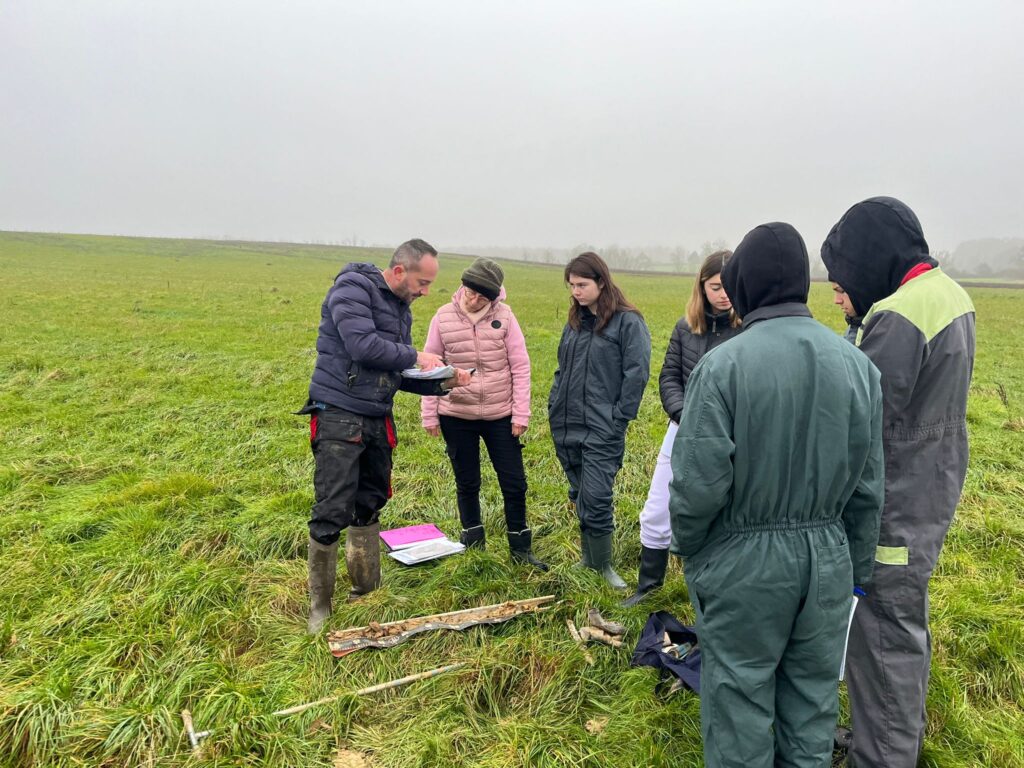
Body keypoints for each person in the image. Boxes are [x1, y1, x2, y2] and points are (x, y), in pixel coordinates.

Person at [669, 222, 884, 768]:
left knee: (739, 701)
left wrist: (694, 552)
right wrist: (853, 570)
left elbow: (697, 485)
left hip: (744, 564)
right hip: (828, 561)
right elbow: (867, 488)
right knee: (811, 703)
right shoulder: (859, 367)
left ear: (744, 285)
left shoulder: (722, 366)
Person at [821, 196, 976, 768]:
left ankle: (882, 755)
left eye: (842, 284)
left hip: (895, 506)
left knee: (884, 638)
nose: (840, 296)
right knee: (901, 630)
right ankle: (881, 738)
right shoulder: (948, 294)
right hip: (930, 486)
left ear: (866, 261)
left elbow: (866, 422)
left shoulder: (898, 316)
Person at [300, 239, 472, 633]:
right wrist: (415, 356)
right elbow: (362, 347)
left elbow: (392, 370)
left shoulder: (400, 307)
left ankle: (366, 590)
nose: (426, 292)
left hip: (378, 417)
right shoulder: (351, 289)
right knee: (332, 507)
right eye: (423, 282)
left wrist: (443, 383)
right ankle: (319, 608)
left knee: (371, 501)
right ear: (399, 271)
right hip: (340, 414)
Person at [622, 251, 742, 607]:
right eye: (716, 287)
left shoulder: (747, 330)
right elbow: (669, 377)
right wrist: (686, 416)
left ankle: (716, 589)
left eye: (729, 286)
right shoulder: (684, 327)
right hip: (682, 430)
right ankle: (649, 585)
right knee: (658, 507)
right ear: (702, 287)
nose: (724, 294)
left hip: (731, 436)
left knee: (725, 511)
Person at [420, 258, 547, 570]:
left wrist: (521, 414)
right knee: (467, 481)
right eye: (469, 291)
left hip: (500, 414)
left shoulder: (505, 317)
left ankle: (520, 548)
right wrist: (430, 414)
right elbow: (430, 365)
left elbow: (520, 365)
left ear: (494, 297)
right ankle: (473, 542)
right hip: (456, 415)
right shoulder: (443, 316)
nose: (472, 298)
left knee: (514, 482)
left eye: (481, 296)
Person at [548, 252, 651, 588]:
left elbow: (636, 374)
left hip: (602, 426)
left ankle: (604, 566)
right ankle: (588, 561)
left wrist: (618, 417)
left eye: (582, 284)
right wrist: (555, 402)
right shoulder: (575, 323)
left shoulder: (628, 322)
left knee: (596, 495)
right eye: (572, 285)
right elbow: (562, 368)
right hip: (567, 425)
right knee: (579, 493)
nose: (576, 291)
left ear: (602, 282)